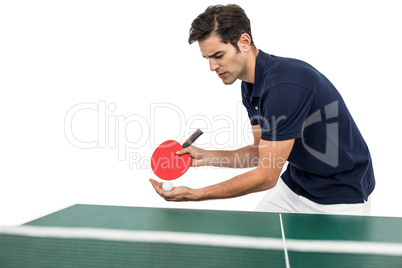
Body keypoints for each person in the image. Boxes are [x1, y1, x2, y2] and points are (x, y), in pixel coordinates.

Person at [149, 4, 375, 215]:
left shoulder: (283, 88)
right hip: (298, 182)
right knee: (255, 252)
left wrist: (195, 194)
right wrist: (206, 156)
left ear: (244, 42)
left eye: (218, 55)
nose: (211, 66)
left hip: (341, 194)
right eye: (207, 58)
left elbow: (266, 176)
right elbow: (261, 151)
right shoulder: (250, 85)